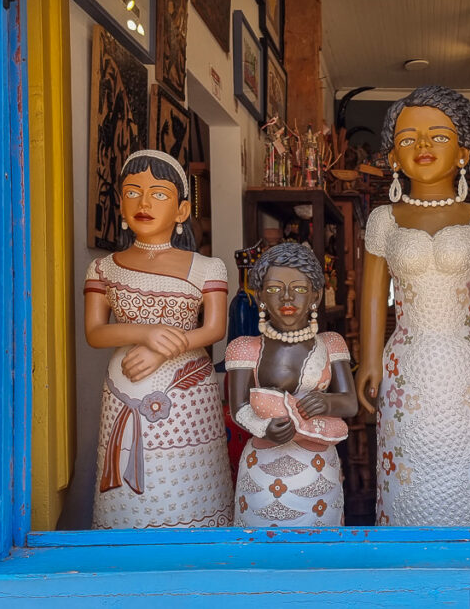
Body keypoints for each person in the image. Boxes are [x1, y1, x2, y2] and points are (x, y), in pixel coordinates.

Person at [356, 85, 470, 526]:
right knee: (409, 473)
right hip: (405, 365)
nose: (423, 146)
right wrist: (369, 360)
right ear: (393, 158)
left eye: (439, 136)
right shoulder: (382, 220)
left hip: (468, 365)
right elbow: (372, 298)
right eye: (408, 139)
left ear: (464, 152)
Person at [83, 150, 233, 529]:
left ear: (182, 211)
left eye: (159, 194)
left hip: (187, 395)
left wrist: (171, 347)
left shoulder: (208, 267)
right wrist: (147, 333)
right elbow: (95, 333)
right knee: (130, 494)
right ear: (120, 202)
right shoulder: (102, 267)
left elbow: (215, 330)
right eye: (132, 192)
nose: (144, 203)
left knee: (188, 481)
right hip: (124, 390)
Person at [225, 243, 358, 526]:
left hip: (318, 467)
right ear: (259, 296)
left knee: (318, 554)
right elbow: (238, 408)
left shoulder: (331, 343)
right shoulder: (244, 349)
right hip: (262, 466)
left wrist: (327, 402)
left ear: (316, 295)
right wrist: (264, 427)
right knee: (260, 555)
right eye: (273, 290)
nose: (287, 297)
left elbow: (350, 403)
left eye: (299, 288)